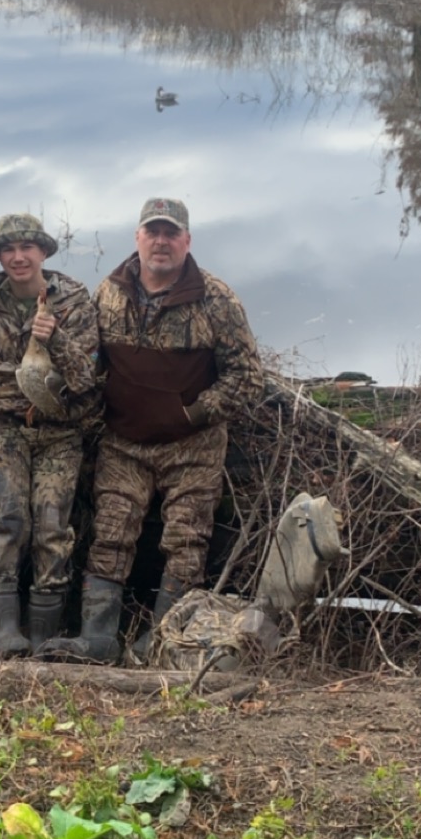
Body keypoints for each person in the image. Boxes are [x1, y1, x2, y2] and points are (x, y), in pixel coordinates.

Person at [44, 197, 264, 663]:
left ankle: (163, 642)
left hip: (193, 447)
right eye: (153, 232)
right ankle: (98, 640)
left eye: (171, 233)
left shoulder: (217, 299)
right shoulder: (108, 294)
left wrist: (193, 415)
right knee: (110, 534)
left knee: (186, 542)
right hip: (124, 444)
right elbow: (89, 363)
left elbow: (247, 377)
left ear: (186, 241)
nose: (161, 242)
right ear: (137, 238)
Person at [0, 213, 101, 657]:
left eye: (27, 248)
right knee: (7, 519)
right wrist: (39, 384)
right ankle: (3, 632)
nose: (18, 257)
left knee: (51, 524)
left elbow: (86, 378)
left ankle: (46, 636)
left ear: (43, 252)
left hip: (60, 433)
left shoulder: (75, 299)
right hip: (3, 430)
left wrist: (56, 340)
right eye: (8, 249)